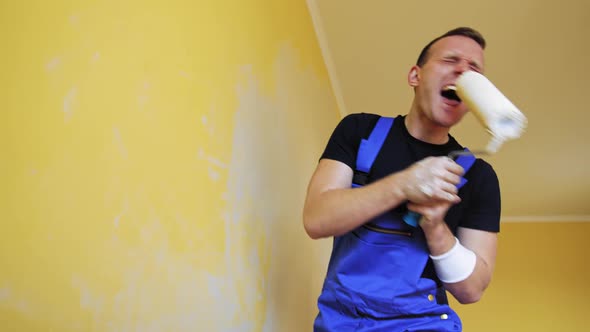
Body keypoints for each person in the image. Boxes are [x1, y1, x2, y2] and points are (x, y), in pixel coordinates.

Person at [303, 27, 501, 331]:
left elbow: (472, 289)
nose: (464, 71)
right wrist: (403, 184)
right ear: (415, 76)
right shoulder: (360, 132)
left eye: (474, 69)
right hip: (341, 321)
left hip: (423, 324)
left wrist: (435, 227)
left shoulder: (479, 176)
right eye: (451, 60)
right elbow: (317, 218)